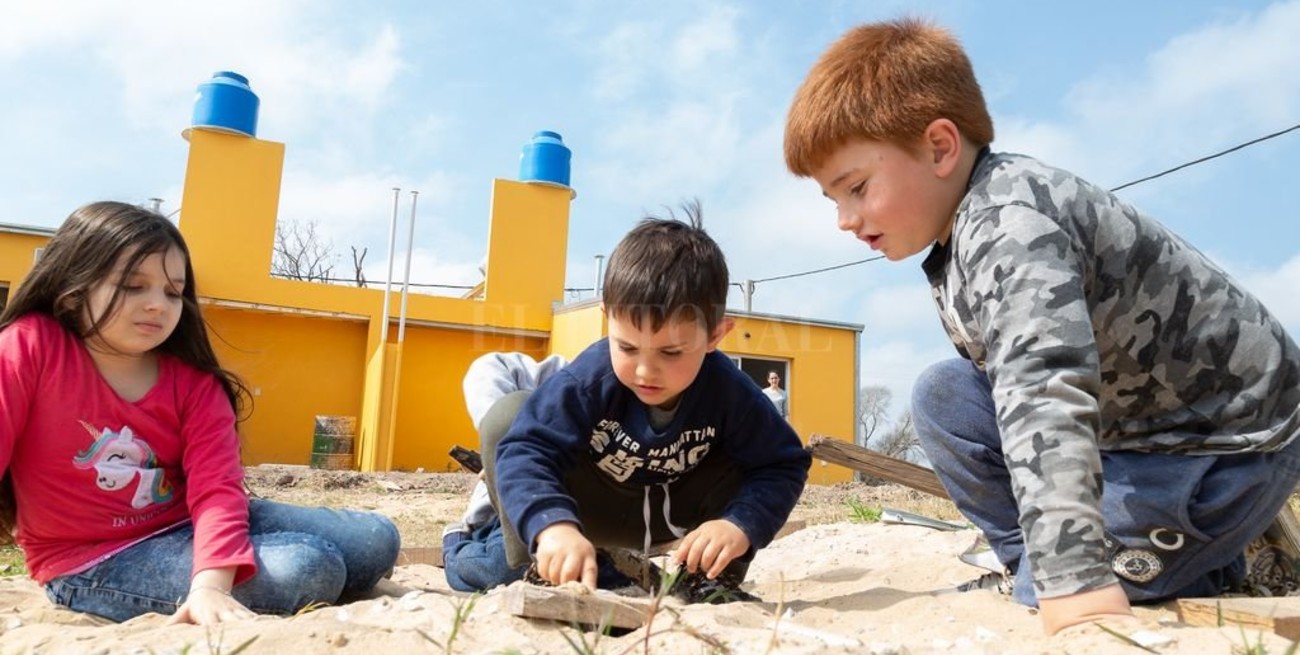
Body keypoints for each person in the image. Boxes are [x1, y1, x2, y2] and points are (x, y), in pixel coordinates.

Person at [783, 19, 1300, 635]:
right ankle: (1033, 560)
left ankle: (1137, 565)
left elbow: (1045, 389)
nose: (845, 219)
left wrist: (1074, 579)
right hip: (1130, 433)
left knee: (1062, 581)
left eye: (857, 188)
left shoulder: (1009, 224)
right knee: (944, 395)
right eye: (833, 200)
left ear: (941, 147)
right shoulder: (958, 235)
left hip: (1218, 447)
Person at [0, 201, 401, 625]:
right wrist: (209, 585)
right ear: (74, 289)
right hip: (92, 559)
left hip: (190, 519)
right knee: (309, 568)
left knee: (376, 539)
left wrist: (210, 584)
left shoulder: (193, 380)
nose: (158, 304)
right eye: (134, 286)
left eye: (173, 291)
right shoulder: (28, 347)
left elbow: (216, 489)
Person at [476, 204, 810, 601]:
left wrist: (739, 525)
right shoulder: (586, 382)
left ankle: (709, 579)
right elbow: (528, 448)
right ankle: (538, 567)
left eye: (670, 353)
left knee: (755, 454)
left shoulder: (729, 392)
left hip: (680, 523)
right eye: (628, 347)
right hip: (589, 514)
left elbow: (782, 463)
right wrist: (553, 527)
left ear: (716, 336)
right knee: (507, 419)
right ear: (607, 319)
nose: (645, 371)